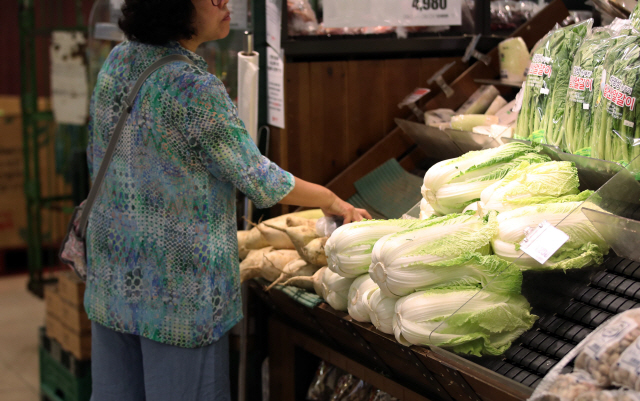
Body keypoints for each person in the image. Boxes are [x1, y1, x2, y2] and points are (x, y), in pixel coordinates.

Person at [85, 0, 371, 399]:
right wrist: (329, 199)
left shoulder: (119, 60)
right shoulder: (193, 87)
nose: (226, 3)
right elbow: (258, 179)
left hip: (113, 271)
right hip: (179, 290)